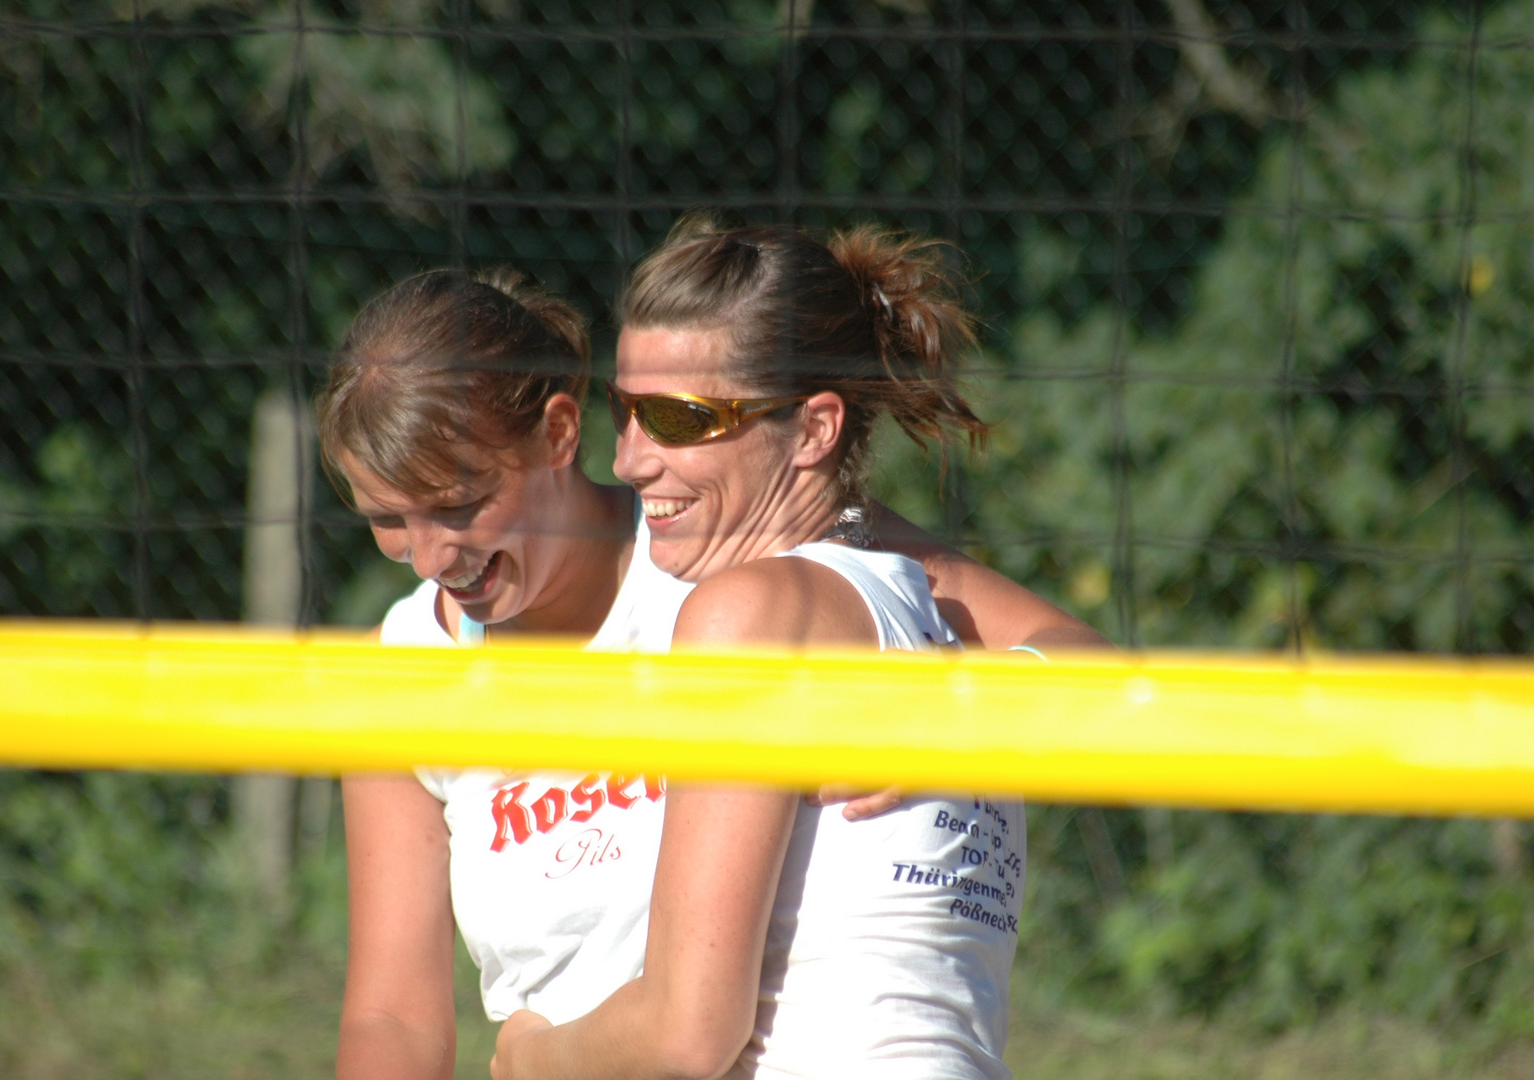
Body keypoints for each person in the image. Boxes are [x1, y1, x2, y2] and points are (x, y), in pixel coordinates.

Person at [322, 261, 1106, 1080]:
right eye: (385, 519)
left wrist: (961, 718)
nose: (428, 553)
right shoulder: (406, 671)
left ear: (558, 433)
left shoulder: (729, 546)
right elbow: (391, 1019)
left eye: (458, 504)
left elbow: (1090, 665)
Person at [487, 216, 1039, 1080]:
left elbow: (685, 1035)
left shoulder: (747, 612)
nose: (630, 459)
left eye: (679, 418)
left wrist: (526, 1059)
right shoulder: (934, 620)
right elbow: (1110, 671)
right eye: (625, 412)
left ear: (815, 431)